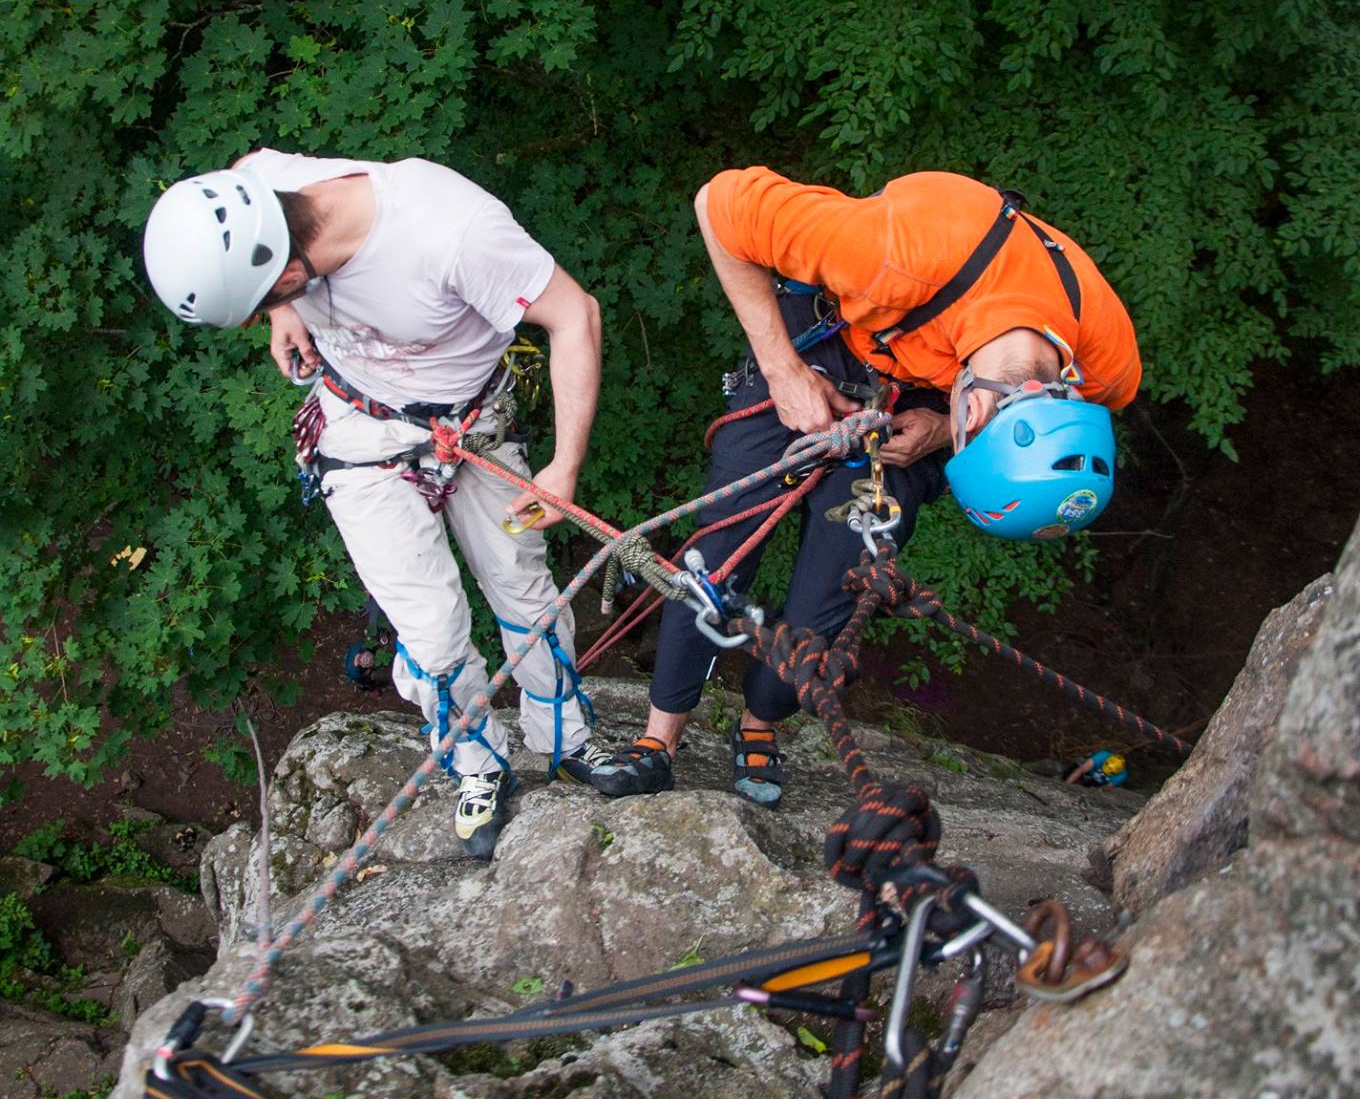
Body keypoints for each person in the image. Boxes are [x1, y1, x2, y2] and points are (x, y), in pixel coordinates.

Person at [567, 168, 1140, 809]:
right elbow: (717, 205)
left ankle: (759, 723)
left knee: (828, 607)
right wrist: (783, 371)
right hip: (826, 338)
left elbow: (1062, 410)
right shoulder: (892, 252)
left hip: (915, 405)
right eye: (967, 432)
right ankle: (659, 741)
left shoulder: (1107, 362)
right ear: (979, 412)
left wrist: (939, 434)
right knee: (717, 555)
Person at [142, 153, 602, 860]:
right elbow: (245, 170)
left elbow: (575, 316)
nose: (271, 310)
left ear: (289, 269)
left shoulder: (449, 230)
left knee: (524, 590)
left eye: (269, 299)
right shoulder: (261, 186)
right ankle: (479, 763)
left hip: (472, 422)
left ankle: (566, 737)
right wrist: (285, 315)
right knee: (433, 629)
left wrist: (564, 467)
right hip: (359, 430)